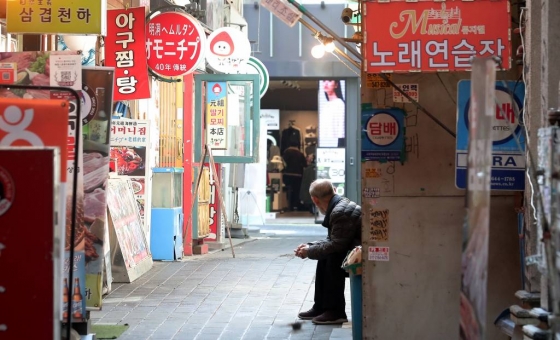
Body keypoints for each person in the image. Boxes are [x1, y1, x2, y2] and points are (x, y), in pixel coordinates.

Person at [294, 179, 362, 324]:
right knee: (326, 256)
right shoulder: (339, 205)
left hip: (363, 256)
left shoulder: (339, 212)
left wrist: (309, 251)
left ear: (315, 200)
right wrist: (309, 246)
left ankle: (335, 311)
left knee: (332, 257)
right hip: (357, 249)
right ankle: (321, 307)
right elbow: (334, 239)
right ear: (334, 190)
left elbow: (336, 245)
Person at [319, 80, 345, 148]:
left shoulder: (340, 104)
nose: (326, 83)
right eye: (324, 81)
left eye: (330, 80)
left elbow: (341, 130)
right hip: (325, 146)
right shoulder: (325, 106)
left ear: (336, 85)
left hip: (335, 146)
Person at [282, 142, 307, 211]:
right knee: (297, 191)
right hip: (298, 175)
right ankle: (295, 205)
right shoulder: (300, 154)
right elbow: (305, 164)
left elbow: (283, 163)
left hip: (288, 174)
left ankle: (288, 205)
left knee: (288, 190)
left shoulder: (286, 152)